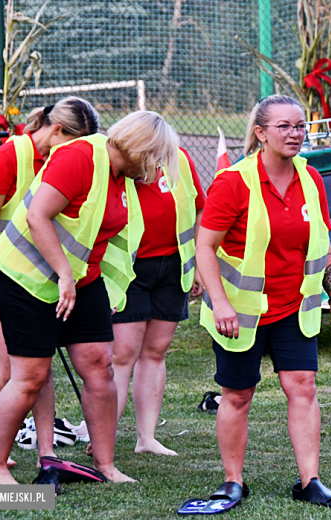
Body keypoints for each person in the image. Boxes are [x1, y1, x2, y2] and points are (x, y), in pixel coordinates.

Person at [0, 110, 180, 484]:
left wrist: (93, 283)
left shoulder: (122, 178)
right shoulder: (80, 157)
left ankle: (105, 466)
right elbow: (37, 217)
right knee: (30, 376)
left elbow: (106, 236)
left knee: (99, 365)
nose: (157, 167)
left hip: (80, 279)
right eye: (156, 157)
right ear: (139, 148)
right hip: (27, 277)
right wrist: (64, 275)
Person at [196, 94, 331, 509]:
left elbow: (322, 241)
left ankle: (310, 481)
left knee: (303, 386)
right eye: (284, 126)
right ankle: (232, 482)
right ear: (260, 134)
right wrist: (220, 303)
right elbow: (205, 247)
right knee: (238, 394)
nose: (295, 133)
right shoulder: (233, 181)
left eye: (300, 125)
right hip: (239, 312)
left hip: (294, 307)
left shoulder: (311, 178)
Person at [0, 97, 99, 468]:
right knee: (13, 366)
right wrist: (7, 277)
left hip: (33, 278)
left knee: (40, 366)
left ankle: (47, 452)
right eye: (76, 142)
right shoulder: (11, 155)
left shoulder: (58, 157)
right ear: (57, 130)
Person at [110, 146, 206, 456]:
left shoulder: (180, 157)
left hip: (173, 267)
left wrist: (199, 266)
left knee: (155, 351)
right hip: (130, 270)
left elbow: (200, 210)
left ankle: (146, 438)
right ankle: (103, 434)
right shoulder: (118, 164)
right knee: (123, 353)